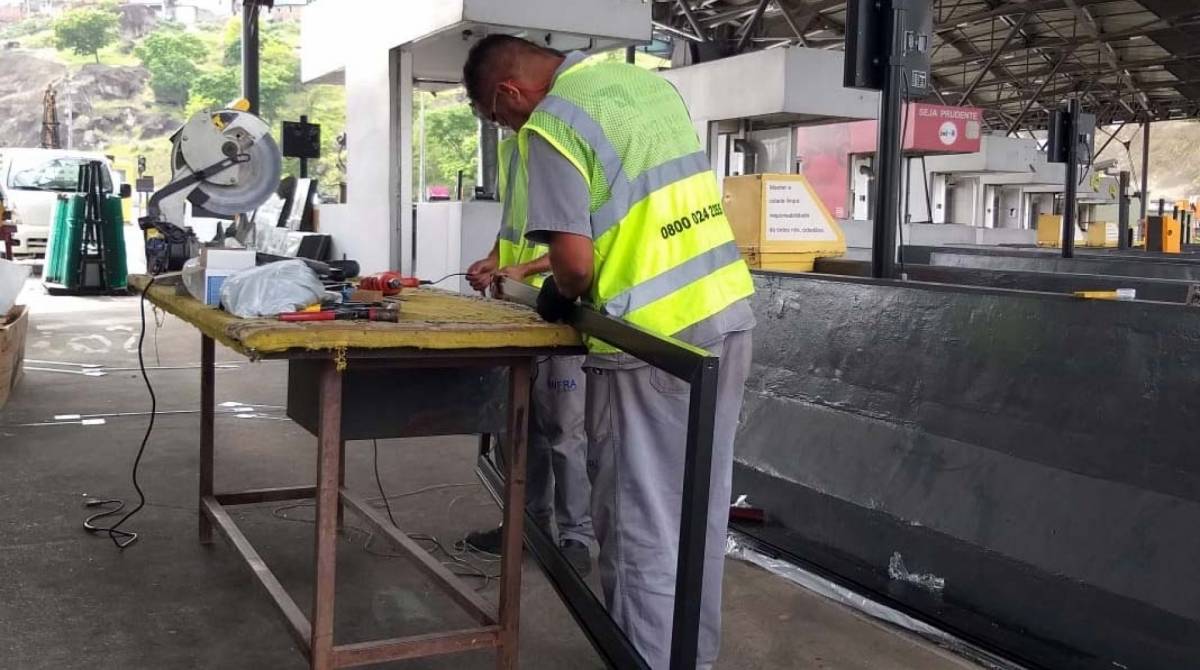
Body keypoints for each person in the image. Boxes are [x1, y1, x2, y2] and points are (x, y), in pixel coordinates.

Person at [463, 37, 756, 670]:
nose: (508, 129)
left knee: (637, 526)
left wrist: (561, 294)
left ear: (508, 94)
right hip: (727, 316)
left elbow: (575, 264)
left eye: (498, 119)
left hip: (649, 342)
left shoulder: (553, 123)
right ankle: (690, 660)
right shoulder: (647, 87)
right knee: (697, 515)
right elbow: (637, 217)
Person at [463, 135, 593, 576]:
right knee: (517, 429)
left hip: (556, 308)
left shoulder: (558, 140)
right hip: (514, 309)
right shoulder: (510, 149)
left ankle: (576, 537)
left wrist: (530, 269)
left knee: (564, 432)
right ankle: (525, 528)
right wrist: (492, 261)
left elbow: (582, 236)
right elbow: (511, 228)